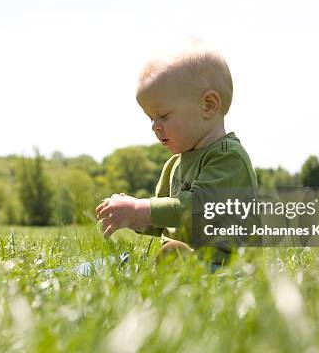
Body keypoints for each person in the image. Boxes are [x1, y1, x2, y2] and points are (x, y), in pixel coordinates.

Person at [95, 40, 258, 267]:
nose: (155, 126)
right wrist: (132, 216)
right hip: (182, 259)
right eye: (151, 118)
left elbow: (198, 209)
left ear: (208, 106)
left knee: (173, 261)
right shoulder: (174, 165)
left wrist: (141, 209)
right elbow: (163, 222)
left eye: (163, 115)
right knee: (118, 264)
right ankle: (68, 274)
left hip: (225, 267)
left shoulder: (229, 158)